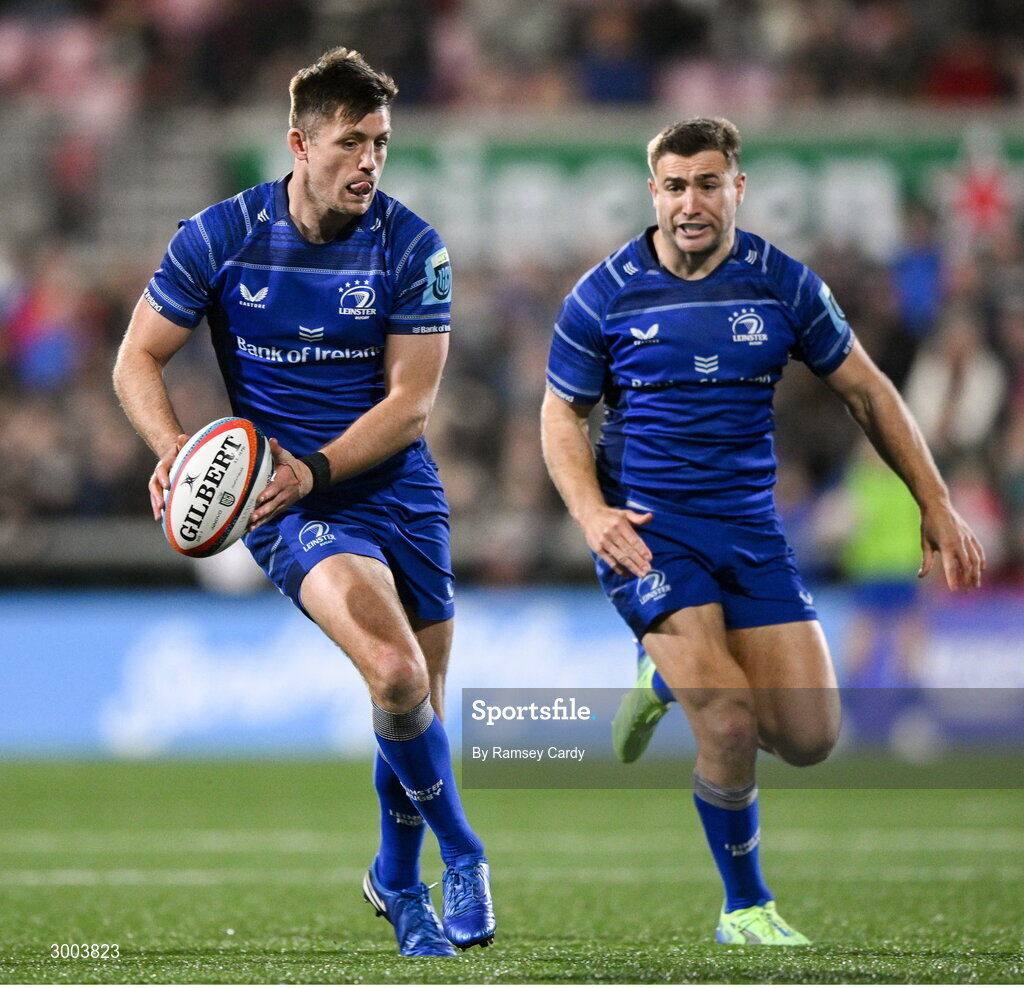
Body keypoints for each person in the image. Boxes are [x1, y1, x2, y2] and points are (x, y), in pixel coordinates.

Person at [540, 117, 984, 946]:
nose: (691, 202)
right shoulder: (603, 294)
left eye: (709, 183)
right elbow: (560, 413)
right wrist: (591, 513)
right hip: (649, 533)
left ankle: (659, 676)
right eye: (675, 186)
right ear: (654, 194)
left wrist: (935, 498)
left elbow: (871, 393)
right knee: (732, 719)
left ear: (737, 188)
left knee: (810, 738)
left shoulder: (782, 283)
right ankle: (745, 905)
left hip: (749, 529)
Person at [112, 47, 495, 958]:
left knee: (418, 707)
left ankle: (397, 882)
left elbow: (411, 405)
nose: (369, 161)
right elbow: (135, 358)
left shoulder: (413, 246)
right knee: (397, 676)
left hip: (395, 485)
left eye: (382, 143)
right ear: (298, 144)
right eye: (350, 142)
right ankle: (466, 857)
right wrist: (174, 449)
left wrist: (317, 468)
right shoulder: (218, 235)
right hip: (289, 503)